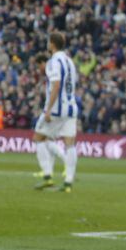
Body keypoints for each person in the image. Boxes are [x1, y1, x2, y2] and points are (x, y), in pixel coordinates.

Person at [33, 32, 79, 193]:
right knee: (70, 143)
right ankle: (68, 182)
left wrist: (48, 110)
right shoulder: (69, 61)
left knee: (38, 138)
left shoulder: (53, 61)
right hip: (71, 107)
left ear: (52, 44)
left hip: (57, 109)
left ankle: (47, 177)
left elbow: (56, 85)